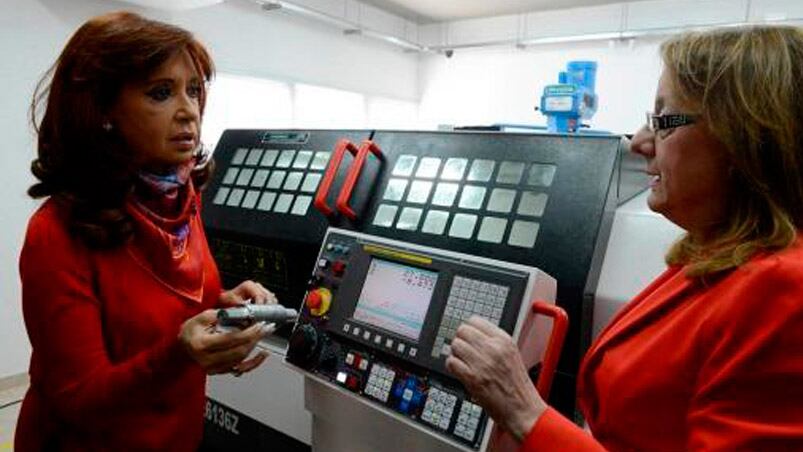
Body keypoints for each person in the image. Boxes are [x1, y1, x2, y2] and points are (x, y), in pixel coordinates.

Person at [447, 25, 803, 451]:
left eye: (664, 121)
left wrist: (526, 412)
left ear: (743, 140)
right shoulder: (712, 254)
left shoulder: (784, 293)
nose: (638, 142)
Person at [15, 12, 277, 450]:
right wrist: (181, 354)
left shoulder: (180, 201)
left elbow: (156, 309)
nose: (188, 111)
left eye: (194, 90)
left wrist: (221, 308)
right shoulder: (56, 232)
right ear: (102, 110)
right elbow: (78, 399)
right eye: (161, 93)